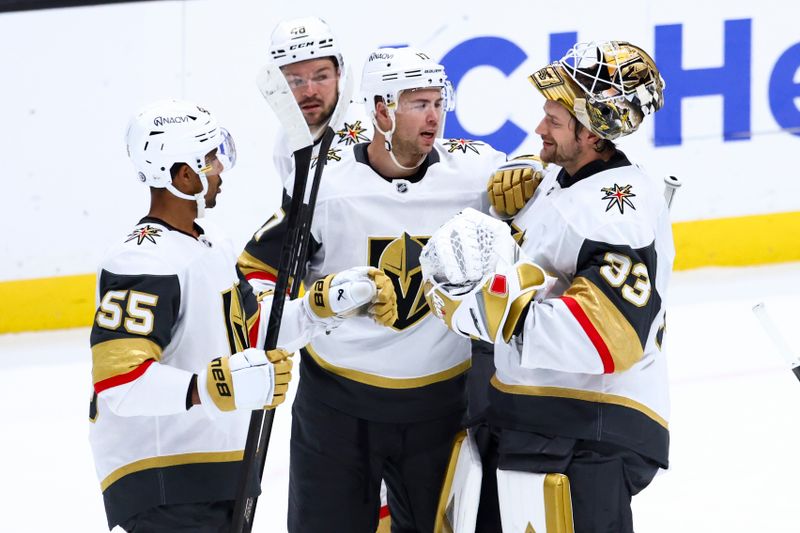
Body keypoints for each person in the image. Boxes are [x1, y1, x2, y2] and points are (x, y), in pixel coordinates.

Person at [89, 99, 397, 532]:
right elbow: (118, 381)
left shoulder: (209, 242)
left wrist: (317, 308)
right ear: (182, 175)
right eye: (210, 159)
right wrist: (207, 387)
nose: (220, 169)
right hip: (164, 481)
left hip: (222, 474)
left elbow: (250, 335)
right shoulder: (144, 258)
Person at [238, 47, 507, 533]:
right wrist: (314, 307)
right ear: (381, 110)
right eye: (418, 103)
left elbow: (541, 192)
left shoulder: (477, 176)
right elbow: (255, 283)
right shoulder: (324, 182)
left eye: (438, 101)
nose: (434, 116)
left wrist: (530, 175)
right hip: (336, 413)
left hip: (443, 410)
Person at [422, 41, 672, 532]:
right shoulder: (564, 181)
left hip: (587, 435)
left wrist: (487, 312)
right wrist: (511, 210)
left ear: (595, 132)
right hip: (536, 424)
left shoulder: (617, 212)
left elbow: (610, 336)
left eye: (554, 121)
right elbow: (539, 263)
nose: (540, 129)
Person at [264, 16, 373, 188]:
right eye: (296, 81)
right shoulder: (285, 141)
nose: (309, 91)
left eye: (321, 77)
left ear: (339, 72)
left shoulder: (373, 126)